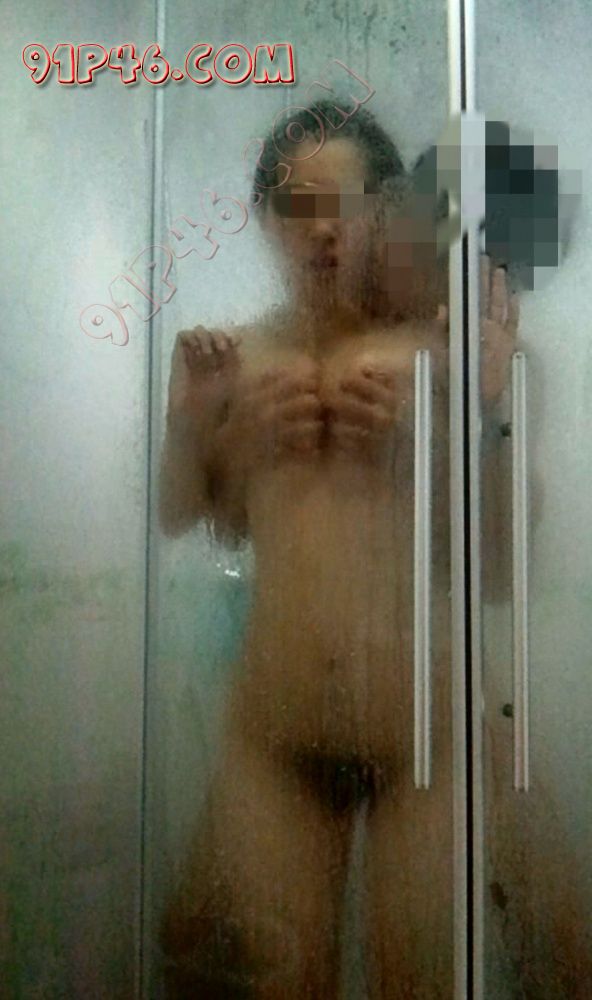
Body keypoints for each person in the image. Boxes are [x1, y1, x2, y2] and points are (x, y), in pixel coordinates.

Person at [157, 102, 589, 998]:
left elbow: (500, 575)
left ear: (385, 213)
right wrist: (195, 430)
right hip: (275, 740)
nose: (321, 232)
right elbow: (188, 518)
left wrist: (464, 421)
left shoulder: (457, 347)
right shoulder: (227, 359)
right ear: (265, 220)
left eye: (344, 207)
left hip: (426, 743)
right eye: (296, 208)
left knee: (422, 982)